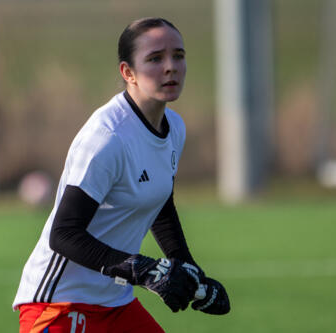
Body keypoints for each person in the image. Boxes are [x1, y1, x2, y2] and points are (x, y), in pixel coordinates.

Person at [13, 17, 230, 333]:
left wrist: (190, 271)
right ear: (128, 72)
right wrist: (144, 270)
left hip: (115, 305)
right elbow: (64, 234)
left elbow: (159, 203)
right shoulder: (107, 138)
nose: (170, 67)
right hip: (59, 305)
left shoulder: (175, 129)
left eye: (178, 56)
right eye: (155, 59)